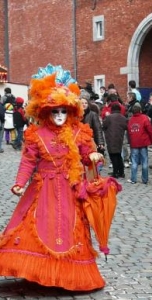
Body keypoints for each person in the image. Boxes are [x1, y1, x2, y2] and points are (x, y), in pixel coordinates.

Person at [0, 65, 121, 291]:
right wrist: (19, 183)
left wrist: (94, 156)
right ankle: (38, 272)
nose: (59, 116)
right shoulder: (36, 134)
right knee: (37, 225)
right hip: (42, 187)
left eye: (63, 111)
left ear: (71, 111)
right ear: (45, 112)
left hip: (70, 187)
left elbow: (87, 157)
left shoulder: (80, 132)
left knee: (69, 226)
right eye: (54, 111)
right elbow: (28, 161)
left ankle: (67, 275)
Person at [127, 104, 152, 184]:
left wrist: (130, 141)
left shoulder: (131, 120)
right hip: (143, 142)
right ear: (140, 110)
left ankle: (133, 179)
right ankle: (145, 179)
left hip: (134, 143)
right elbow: (150, 130)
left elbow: (129, 132)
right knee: (144, 161)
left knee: (134, 161)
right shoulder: (144, 118)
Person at [102, 103, 128, 178]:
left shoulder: (109, 117)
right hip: (120, 138)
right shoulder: (123, 118)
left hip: (111, 138)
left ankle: (115, 172)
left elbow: (104, 126)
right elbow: (126, 127)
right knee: (118, 155)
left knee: (113, 156)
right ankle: (121, 172)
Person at [80, 89, 105, 154]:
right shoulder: (76, 115)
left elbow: (98, 129)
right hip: (79, 142)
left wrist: (100, 142)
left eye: (86, 103)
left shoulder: (92, 114)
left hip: (90, 141)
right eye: (82, 103)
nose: (84, 105)